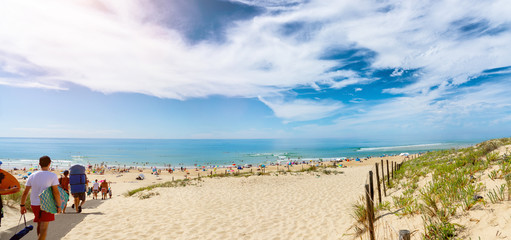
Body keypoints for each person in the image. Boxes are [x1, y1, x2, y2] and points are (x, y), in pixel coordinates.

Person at [20, 156, 62, 240]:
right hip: (47, 204)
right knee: (44, 228)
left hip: (34, 204)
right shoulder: (52, 176)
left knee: (40, 224)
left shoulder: (32, 175)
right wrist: (59, 205)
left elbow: (25, 192)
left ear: (39, 164)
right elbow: (56, 192)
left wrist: (22, 205)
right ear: (50, 164)